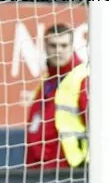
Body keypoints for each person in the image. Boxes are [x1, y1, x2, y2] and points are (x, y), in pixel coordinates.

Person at [26, 23, 88, 169]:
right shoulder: (45, 83)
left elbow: (105, 131)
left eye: (63, 45)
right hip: (39, 170)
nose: (58, 50)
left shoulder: (82, 78)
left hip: (70, 169)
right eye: (53, 45)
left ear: (72, 46)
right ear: (45, 47)